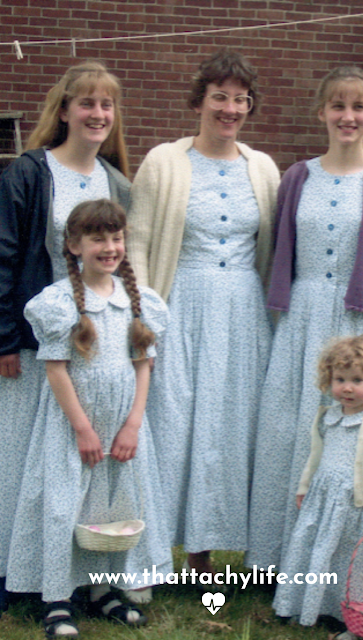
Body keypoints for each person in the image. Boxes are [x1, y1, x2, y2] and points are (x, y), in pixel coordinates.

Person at [247, 65, 363, 571]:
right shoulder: (298, 176)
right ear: (321, 111)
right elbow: (282, 245)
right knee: (290, 429)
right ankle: (280, 558)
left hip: (359, 319)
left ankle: (344, 564)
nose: (348, 116)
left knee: (354, 438)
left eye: (359, 107)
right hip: (302, 317)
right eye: (338, 106)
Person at [127, 48, 280, 578]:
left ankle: (206, 555)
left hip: (242, 312)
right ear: (200, 100)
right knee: (170, 424)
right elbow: (139, 244)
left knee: (229, 427)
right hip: (179, 306)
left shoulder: (262, 169)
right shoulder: (164, 161)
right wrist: (143, 315)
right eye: (220, 96)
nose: (230, 108)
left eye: (241, 99)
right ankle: (148, 553)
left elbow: (272, 249)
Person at [6, 199, 173, 637]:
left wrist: (134, 423)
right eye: (98, 238)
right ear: (74, 244)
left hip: (122, 427)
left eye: (116, 237)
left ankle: (103, 589)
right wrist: (81, 428)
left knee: (110, 509)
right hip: (72, 427)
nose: (109, 246)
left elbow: (143, 364)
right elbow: (56, 368)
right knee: (65, 509)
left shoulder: (138, 301)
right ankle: (57, 599)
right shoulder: (59, 302)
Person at [0, 60, 131, 611]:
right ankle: (16, 572)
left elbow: (122, 263)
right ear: (64, 110)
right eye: (87, 103)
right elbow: (4, 256)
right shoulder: (28, 174)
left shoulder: (117, 181)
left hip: (94, 347)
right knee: (20, 460)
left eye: (106, 104)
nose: (97, 113)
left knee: (76, 463)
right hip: (35, 344)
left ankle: (74, 573)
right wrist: (5, 338)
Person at [271, 335, 363, 637]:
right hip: (324, 503)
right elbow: (316, 457)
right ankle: (315, 604)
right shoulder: (328, 419)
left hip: (360, 509)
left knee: (357, 563)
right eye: (340, 379)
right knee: (321, 553)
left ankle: (358, 611)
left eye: (357, 380)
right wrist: (304, 487)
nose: (348, 387)